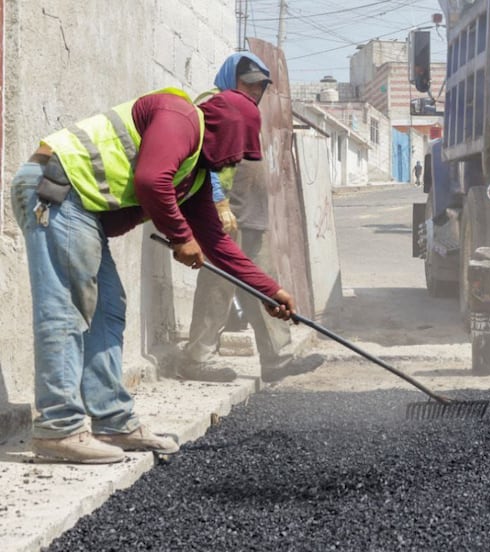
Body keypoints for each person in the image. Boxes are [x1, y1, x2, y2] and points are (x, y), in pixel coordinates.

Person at [10, 86, 297, 464]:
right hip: (56, 190)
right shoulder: (180, 117)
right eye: (237, 149)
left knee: (108, 309)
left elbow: (218, 244)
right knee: (66, 310)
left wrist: (269, 291)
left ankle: (112, 420)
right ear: (225, 130)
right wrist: (181, 237)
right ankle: (58, 428)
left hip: (80, 209)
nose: (233, 161)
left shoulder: (192, 175)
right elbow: (150, 180)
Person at [179, 52, 318, 383]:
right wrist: (217, 201)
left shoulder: (243, 113)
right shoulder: (214, 106)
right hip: (223, 216)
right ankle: (197, 359)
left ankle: (277, 359)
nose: (253, 93)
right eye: (248, 84)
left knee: (263, 285)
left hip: (252, 215)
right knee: (218, 285)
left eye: (259, 88)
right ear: (231, 78)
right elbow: (203, 155)